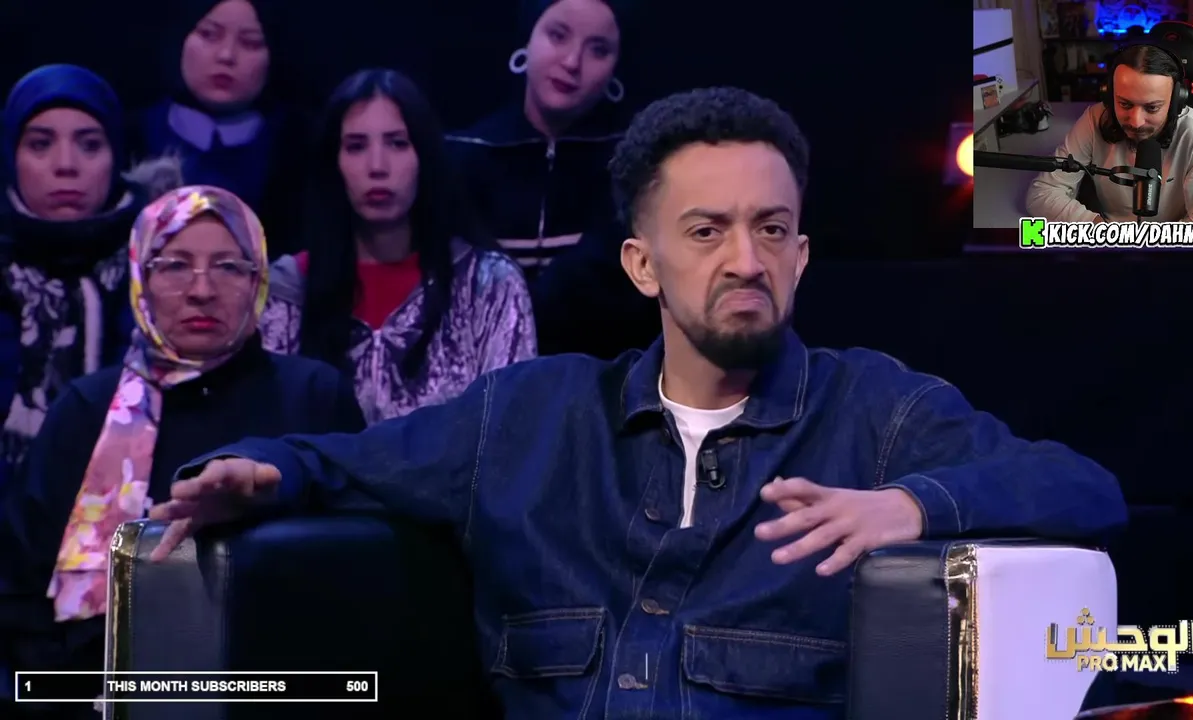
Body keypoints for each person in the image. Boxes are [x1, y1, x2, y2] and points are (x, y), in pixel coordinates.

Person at [150, 88, 1128, 718]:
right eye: (705, 231)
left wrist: (909, 505)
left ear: (799, 256)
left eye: (770, 229)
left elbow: (1081, 486)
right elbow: (344, 462)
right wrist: (261, 473)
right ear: (641, 265)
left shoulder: (875, 410)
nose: (744, 260)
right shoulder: (527, 418)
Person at [0, 185, 364, 718]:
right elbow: (19, 589)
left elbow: (357, 576)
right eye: (174, 266)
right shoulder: (86, 409)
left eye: (228, 267)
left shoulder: (313, 396)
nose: (202, 290)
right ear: (141, 279)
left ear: (258, 280)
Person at [260, 69, 536, 424]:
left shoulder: (488, 284)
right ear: (333, 163)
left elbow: (513, 426)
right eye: (356, 146)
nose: (377, 167)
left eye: (397, 143)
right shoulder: (288, 291)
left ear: (425, 157)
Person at [0, 64, 180, 498]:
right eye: (40, 144)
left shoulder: (165, 264)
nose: (66, 165)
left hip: (140, 515)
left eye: (90, 145)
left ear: (116, 155)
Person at [447, 0, 656, 358]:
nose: (572, 62)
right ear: (527, 40)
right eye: (558, 36)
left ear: (615, 68)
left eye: (598, 49)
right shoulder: (463, 155)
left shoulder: (637, 163)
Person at [131, 0, 306, 255]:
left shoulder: (300, 146)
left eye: (250, 43)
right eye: (209, 35)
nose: (226, 55)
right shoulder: (130, 137)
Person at [1026, 43, 1193, 224]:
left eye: (1152, 108)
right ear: (1109, 95)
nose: (1136, 122)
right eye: (1125, 104)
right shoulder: (1095, 119)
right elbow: (1042, 193)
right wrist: (1099, 227)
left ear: (1175, 102)